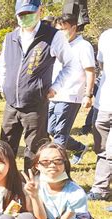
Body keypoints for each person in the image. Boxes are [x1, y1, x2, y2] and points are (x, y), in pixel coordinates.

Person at [0, 0, 73, 172]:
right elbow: (2, 64)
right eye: (21, 14)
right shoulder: (10, 38)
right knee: (5, 147)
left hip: (35, 104)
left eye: (29, 13)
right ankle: (7, 183)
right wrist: (4, 85)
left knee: (34, 149)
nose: (25, 18)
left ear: (39, 10)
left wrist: (56, 86)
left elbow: (71, 64)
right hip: (11, 104)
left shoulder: (53, 36)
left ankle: (31, 186)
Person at [26, 143, 101, 219]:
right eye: (45, 161)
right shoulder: (34, 184)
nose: (52, 165)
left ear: (64, 164)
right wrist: (34, 195)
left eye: (58, 161)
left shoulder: (76, 191)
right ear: (37, 165)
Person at [48, 14, 95, 165]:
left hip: (70, 96)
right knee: (50, 129)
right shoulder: (58, 44)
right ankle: (79, 147)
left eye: (63, 29)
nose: (60, 33)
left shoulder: (83, 46)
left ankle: (57, 166)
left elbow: (90, 71)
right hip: (53, 94)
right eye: (57, 30)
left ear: (74, 28)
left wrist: (88, 94)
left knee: (60, 134)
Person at [88, 28, 112, 202]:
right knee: (100, 148)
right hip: (103, 102)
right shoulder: (105, 36)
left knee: (110, 152)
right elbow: (101, 65)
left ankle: (100, 188)